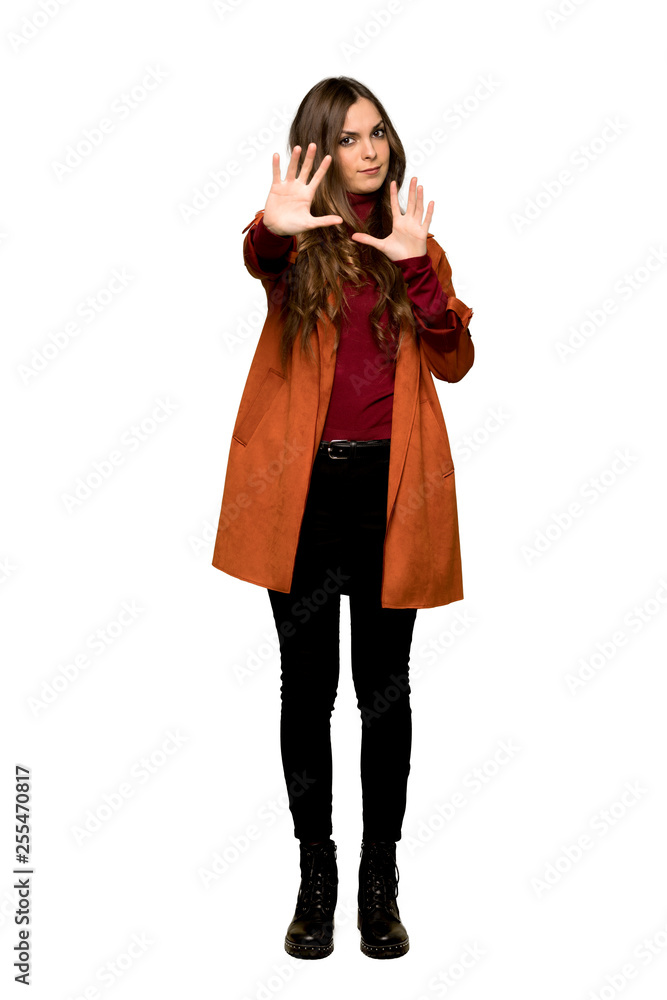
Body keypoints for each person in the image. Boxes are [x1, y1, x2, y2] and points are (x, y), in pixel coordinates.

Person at [212, 76, 475, 960]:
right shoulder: (297, 241)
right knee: (306, 690)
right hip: (304, 499)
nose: (370, 150)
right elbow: (261, 258)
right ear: (321, 151)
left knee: (384, 692)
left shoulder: (412, 240)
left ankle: (378, 880)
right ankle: (314, 874)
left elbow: (456, 360)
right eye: (350, 138)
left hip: (391, 494)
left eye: (378, 134)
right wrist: (268, 230)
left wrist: (414, 265)